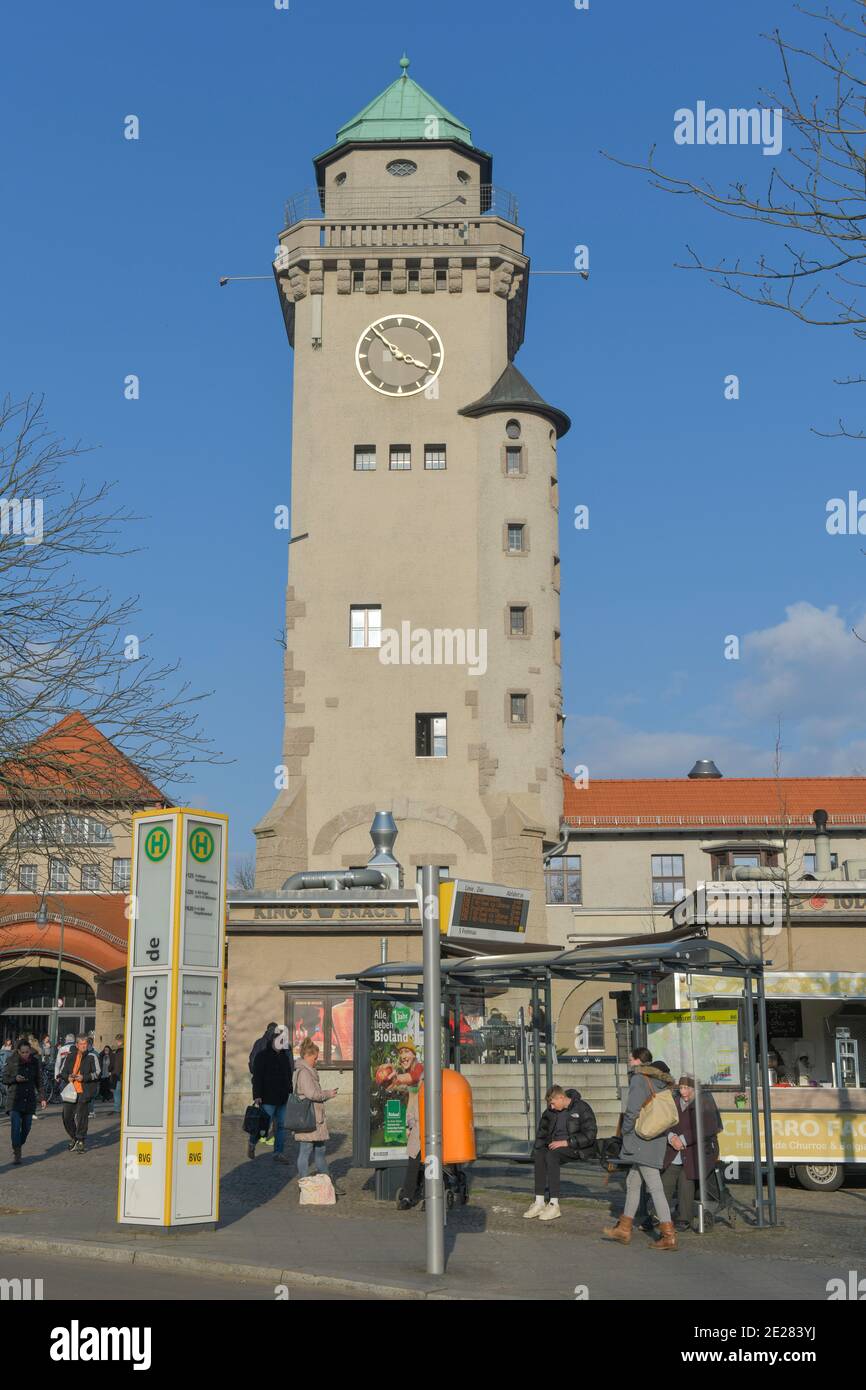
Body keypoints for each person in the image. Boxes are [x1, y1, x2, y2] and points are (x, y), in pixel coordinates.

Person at [602, 1046, 679, 1251]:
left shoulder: (639, 1079)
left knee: (654, 1185)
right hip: (656, 1137)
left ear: (637, 1061)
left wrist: (626, 1132)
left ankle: (668, 1235)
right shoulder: (661, 1081)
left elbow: (632, 1111)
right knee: (633, 1181)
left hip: (641, 1139)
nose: (629, 1062)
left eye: (630, 1059)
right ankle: (624, 1227)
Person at [525, 1085, 597, 1221]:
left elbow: (590, 1134)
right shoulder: (550, 1112)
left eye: (552, 1103)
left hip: (576, 1147)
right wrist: (537, 1151)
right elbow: (542, 1134)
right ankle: (539, 1201)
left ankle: (554, 1204)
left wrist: (567, 1142)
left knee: (552, 1155)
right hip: (555, 1146)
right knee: (540, 1155)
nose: (551, 1107)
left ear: (561, 1097)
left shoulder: (581, 1107)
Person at [661, 1076, 724, 1232]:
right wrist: (671, 1137)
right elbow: (665, 1123)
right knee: (666, 1179)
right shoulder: (674, 1102)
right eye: (681, 1088)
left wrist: (682, 1139)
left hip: (698, 1151)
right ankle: (658, 1214)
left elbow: (707, 1128)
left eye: (687, 1088)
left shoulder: (704, 1103)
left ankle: (684, 1217)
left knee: (686, 1178)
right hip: (675, 1149)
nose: (683, 1092)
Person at [292, 1038, 338, 1185]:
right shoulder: (304, 1073)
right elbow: (312, 1094)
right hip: (309, 1118)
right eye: (315, 1058)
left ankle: (327, 1182)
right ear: (307, 1056)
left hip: (314, 1118)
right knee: (306, 1151)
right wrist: (328, 1094)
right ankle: (304, 1183)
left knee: (320, 1150)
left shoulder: (307, 1071)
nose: (316, 1061)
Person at [250, 1024, 294, 1163]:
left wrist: (290, 1091)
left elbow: (288, 1074)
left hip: (282, 1097)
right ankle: (252, 1143)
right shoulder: (262, 1056)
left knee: (281, 1126)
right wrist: (257, 1095)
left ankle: (278, 1153)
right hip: (267, 1097)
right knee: (263, 1124)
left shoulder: (284, 1057)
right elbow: (257, 1077)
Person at [3, 1038, 47, 1163]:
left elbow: (39, 1081)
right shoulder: (11, 1061)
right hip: (14, 1099)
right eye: (22, 1052)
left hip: (29, 1100)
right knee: (16, 1127)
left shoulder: (35, 1062)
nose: (25, 1054)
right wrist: (15, 1078)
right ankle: (17, 1152)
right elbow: (5, 1078)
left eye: (27, 1052)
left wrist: (42, 1097)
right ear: (18, 1051)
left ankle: (19, 1144)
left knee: (26, 1128)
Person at [393, 1042, 425, 1210]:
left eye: (406, 1052)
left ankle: (409, 1195)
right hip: (417, 1121)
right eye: (401, 1053)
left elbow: (413, 1079)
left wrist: (395, 1078)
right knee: (415, 1158)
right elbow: (411, 1096)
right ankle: (410, 1194)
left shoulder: (419, 1068)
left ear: (413, 1054)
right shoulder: (408, 1072)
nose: (403, 1055)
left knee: (420, 1158)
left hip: (428, 1119)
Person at [57, 1034, 100, 1152]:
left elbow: (98, 1073)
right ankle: (74, 1137)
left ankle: (81, 1140)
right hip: (71, 1091)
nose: (83, 1046)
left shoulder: (92, 1056)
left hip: (84, 1090)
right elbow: (63, 1072)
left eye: (85, 1044)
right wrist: (68, 1077)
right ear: (76, 1045)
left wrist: (84, 1077)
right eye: (81, 1044)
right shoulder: (70, 1056)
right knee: (66, 1116)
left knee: (82, 1117)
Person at [110, 1034, 124, 1113]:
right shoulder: (121, 1050)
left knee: (117, 1092)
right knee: (119, 1092)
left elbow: (117, 1064)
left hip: (118, 1074)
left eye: (117, 1041)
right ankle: (119, 1108)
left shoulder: (118, 1051)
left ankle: (117, 1108)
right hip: (121, 1074)